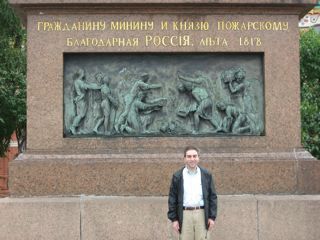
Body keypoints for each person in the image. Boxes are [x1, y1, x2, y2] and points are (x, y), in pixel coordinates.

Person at [168, 146, 218, 240]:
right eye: (189, 156)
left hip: (202, 214)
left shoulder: (206, 175)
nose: (192, 159)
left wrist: (212, 217)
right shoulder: (177, 176)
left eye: (194, 156)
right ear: (184, 159)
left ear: (198, 158)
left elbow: (212, 197)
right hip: (184, 215)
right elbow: (172, 198)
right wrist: (174, 219)